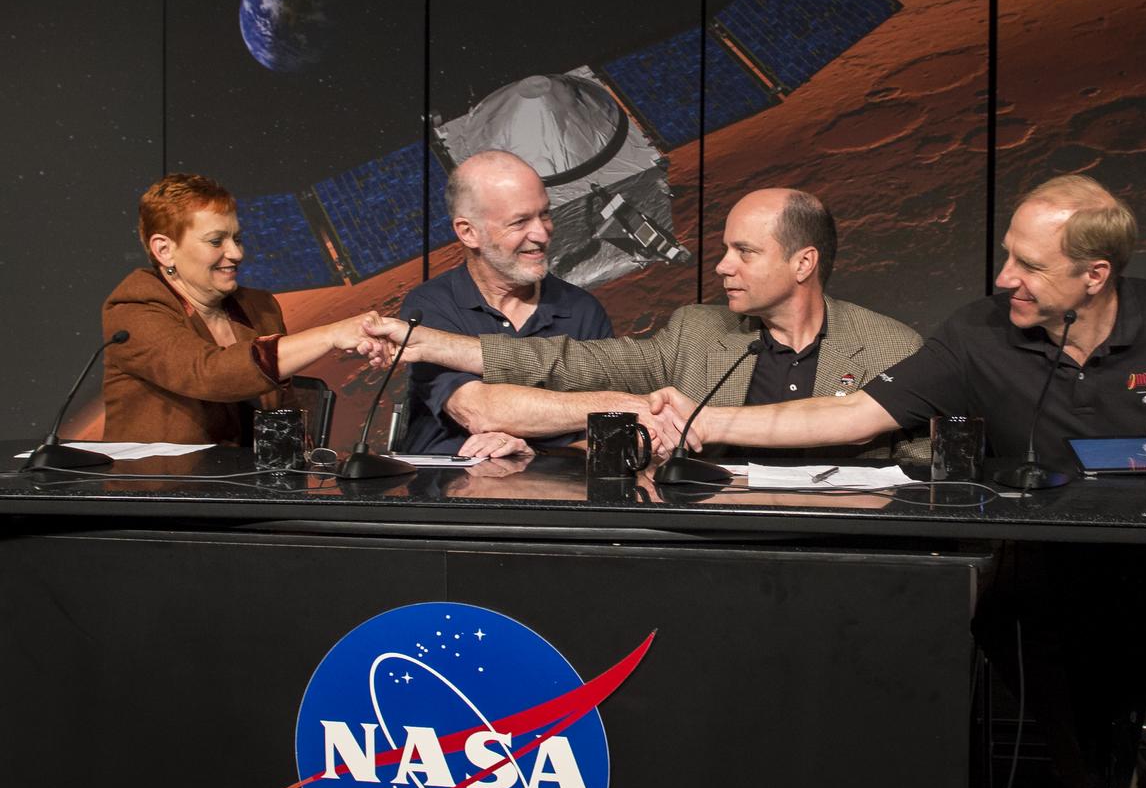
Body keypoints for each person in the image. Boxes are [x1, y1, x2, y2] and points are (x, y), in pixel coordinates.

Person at [649, 175, 1146, 788]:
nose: (1004, 277)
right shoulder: (978, 334)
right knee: (1027, 650)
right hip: (1046, 564)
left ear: (1094, 276)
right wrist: (707, 424)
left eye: (1028, 264)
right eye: (1007, 254)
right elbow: (854, 415)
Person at [363, 187, 929, 462]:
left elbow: (930, 469)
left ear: (803, 263)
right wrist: (429, 342)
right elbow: (569, 362)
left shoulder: (888, 347)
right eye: (724, 249)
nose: (723, 266)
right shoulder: (696, 334)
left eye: (744, 252)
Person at [102, 173, 378, 445]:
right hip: (164, 487)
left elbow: (285, 412)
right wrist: (329, 335)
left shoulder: (259, 308)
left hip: (249, 485)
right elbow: (209, 374)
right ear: (164, 250)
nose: (236, 253)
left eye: (237, 239)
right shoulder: (134, 309)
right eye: (216, 241)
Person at [399, 150, 618, 457]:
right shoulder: (431, 305)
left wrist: (537, 455)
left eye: (545, 214)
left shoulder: (582, 310)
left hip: (558, 491)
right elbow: (477, 411)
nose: (541, 234)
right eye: (519, 222)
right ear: (468, 232)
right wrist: (604, 404)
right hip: (449, 492)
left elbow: (612, 431)